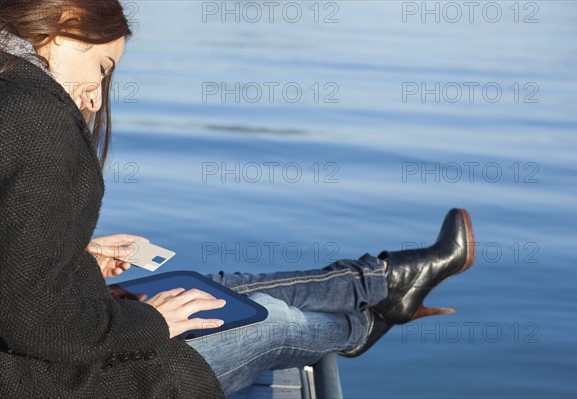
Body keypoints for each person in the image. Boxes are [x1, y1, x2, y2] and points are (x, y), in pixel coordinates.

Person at [0, 1, 476, 397]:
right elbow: (43, 327)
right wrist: (152, 324)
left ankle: (386, 279)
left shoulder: (13, 97)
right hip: (58, 381)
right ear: (65, 25)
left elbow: (19, 278)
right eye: (103, 68)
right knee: (271, 324)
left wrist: (68, 255)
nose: (97, 99)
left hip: (40, 353)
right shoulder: (37, 117)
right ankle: (371, 321)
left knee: (220, 290)